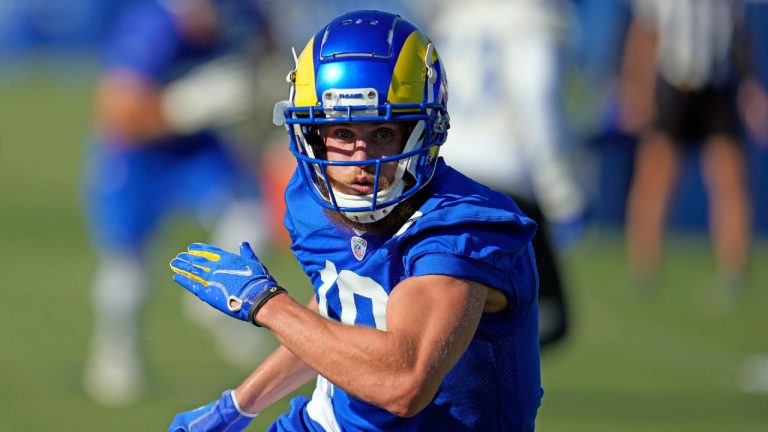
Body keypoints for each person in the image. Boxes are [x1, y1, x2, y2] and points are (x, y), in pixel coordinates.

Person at [168, 9, 542, 431]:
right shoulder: (313, 200)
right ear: (313, 135)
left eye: (382, 133)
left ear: (422, 131)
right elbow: (340, 309)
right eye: (343, 134)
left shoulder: (460, 229)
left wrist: (267, 304)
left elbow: (403, 384)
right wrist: (238, 404)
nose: (361, 160)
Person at [82, 0, 272, 406]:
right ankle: (117, 353)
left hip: (196, 148)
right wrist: (190, 102)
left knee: (250, 211)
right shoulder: (151, 28)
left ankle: (217, 297)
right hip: (138, 156)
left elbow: (274, 54)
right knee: (127, 265)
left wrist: (263, 85)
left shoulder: (243, 13)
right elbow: (121, 114)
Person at [429, 0, 587, 349]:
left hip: (443, 178)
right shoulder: (530, 20)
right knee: (541, 319)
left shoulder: (457, 18)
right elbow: (535, 99)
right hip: (504, 183)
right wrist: (561, 194)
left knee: (458, 308)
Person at [620, 0, 752, 294]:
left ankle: (734, 268)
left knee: (729, 176)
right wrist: (638, 88)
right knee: (656, 175)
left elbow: (738, 31)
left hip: (717, 82)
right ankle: (645, 265)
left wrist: (748, 83)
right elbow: (643, 32)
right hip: (673, 81)